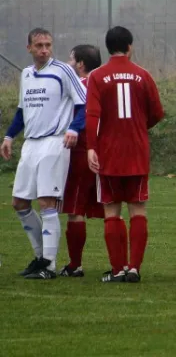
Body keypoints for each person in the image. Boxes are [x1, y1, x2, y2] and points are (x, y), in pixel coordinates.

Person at [0, 27, 86, 279]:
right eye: (39, 45)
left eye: (48, 44)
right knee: (19, 203)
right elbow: (21, 111)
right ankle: (41, 258)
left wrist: (73, 129)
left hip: (55, 142)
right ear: (29, 48)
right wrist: (8, 136)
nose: (44, 49)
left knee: (47, 202)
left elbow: (84, 104)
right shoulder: (26, 74)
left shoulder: (63, 71)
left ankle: (48, 265)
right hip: (31, 144)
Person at [86, 26, 165, 283]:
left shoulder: (97, 76)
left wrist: (91, 147)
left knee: (112, 210)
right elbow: (157, 112)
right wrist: (140, 127)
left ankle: (118, 269)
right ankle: (134, 268)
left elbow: (93, 116)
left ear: (108, 47)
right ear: (130, 46)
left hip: (108, 153)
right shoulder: (143, 75)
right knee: (138, 209)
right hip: (137, 152)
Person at [59, 44, 104, 277]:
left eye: (71, 59)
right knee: (111, 207)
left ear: (81, 64)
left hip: (82, 152)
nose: (68, 63)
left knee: (75, 209)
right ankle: (119, 265)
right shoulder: (105, 83)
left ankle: (75, 264)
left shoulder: (80, 86)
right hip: (107, 152)